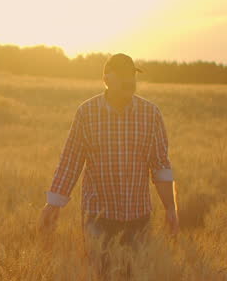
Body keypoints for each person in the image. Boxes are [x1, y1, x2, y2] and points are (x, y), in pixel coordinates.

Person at [38, 53, 178, 265]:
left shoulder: (151, 114)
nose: (129, 80)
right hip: (97, 217)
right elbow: (71, 161)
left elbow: (160, 165)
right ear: (106, 79)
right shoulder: (87, 113)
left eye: (132, 74)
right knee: (101, 277)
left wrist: (170, 209)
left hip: (138, 216)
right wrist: (53, 204)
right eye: (122, 75)